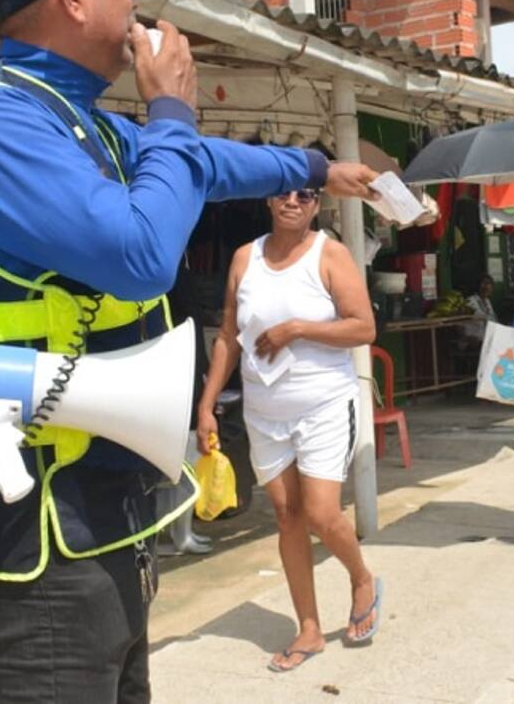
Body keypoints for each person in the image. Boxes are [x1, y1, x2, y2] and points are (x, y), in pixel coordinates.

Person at [0, 0, 378, 702]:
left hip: (98, 509)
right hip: (40, 530)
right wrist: (170, 106)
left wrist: (314, 164)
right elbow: (138, 257)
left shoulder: (78, 121)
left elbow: (203, 163)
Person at [195, 186, 379, 672]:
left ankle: (361, 577)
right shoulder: (244, 257)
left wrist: (298, 328)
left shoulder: (330, 254)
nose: (292, 201)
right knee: (286, 514)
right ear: (268, 202)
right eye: (282, 193)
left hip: (322, 403)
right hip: (263, 407)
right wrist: (207, 404)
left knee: (321, 513)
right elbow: (229, 336)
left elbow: (363, 328)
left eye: (305, 194)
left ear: (317, 204)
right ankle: (310, 628)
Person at [462, 273, 498, 342]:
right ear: (477, 286)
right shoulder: (470, 301)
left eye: (489, 284)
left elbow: (492, 319)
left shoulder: (487, 301)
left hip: (485, 339)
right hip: (473, 340)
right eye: (483, 283)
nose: (486, 287)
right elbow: (482, 318)